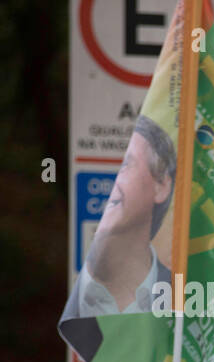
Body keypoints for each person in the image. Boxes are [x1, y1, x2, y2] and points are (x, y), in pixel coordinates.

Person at [61, 115, 176, 327]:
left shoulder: (182, 300)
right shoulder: (71, 297)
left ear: (161, 186)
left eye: (126, 165)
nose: (112, 183)